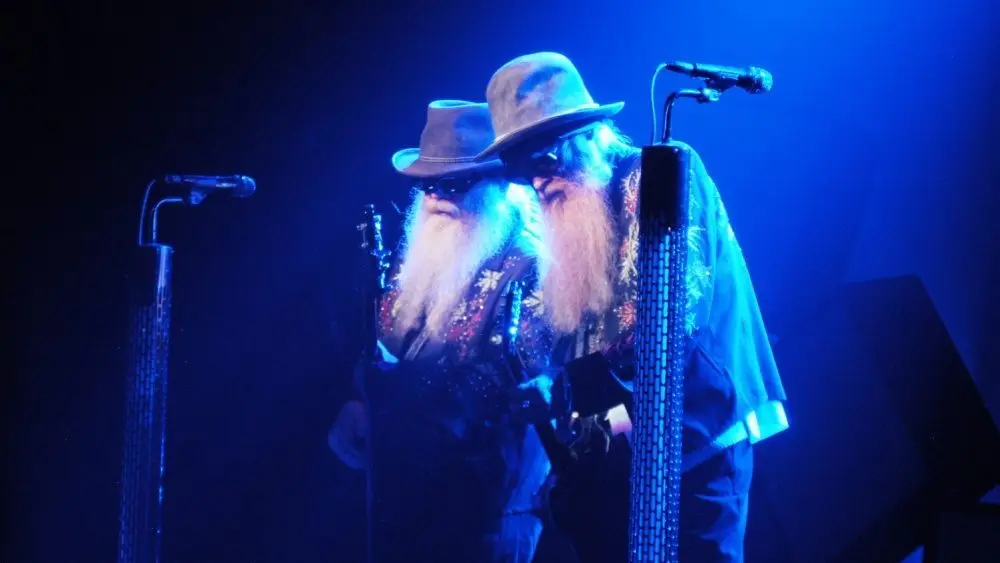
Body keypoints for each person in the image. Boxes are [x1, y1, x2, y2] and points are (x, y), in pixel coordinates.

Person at [478, 52, 790, 562]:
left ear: (586, 136)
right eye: (519, 170)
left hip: (697, 437)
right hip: (622, 458)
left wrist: (567, 394)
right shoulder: (568, 213)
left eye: (544, 161)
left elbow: (670, 323)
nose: (535, 181)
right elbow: (566, 332)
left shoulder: (658, 177)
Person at [328, 99, 556, 562]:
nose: (437, 198)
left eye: (455, 183)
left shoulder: (532, 267)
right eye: (427, 184)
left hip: (487, 511)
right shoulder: (423, 257)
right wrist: (358, 399)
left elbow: (506, 387)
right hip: (406, 503)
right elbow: (386, 341)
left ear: (499, 186)